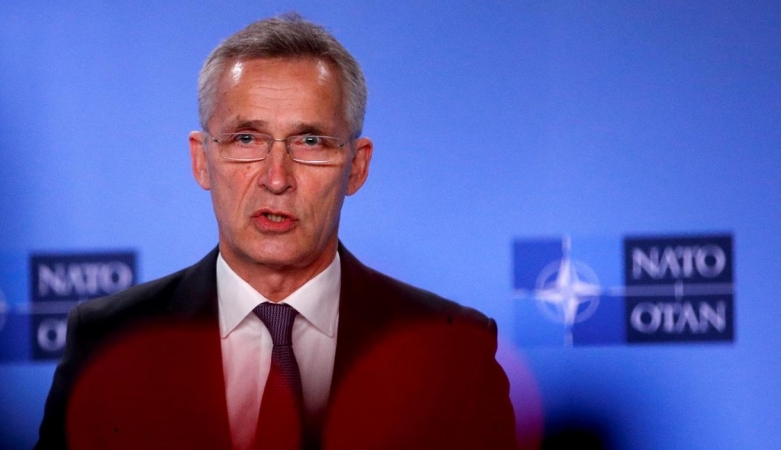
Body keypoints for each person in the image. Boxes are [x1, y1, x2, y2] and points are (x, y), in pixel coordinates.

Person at [36, 13, 516, 450]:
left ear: (357, 166)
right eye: (246, 138)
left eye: (311, 141)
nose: (276, 177)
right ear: (202, 160)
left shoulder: (454, 352)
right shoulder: (107, 342)